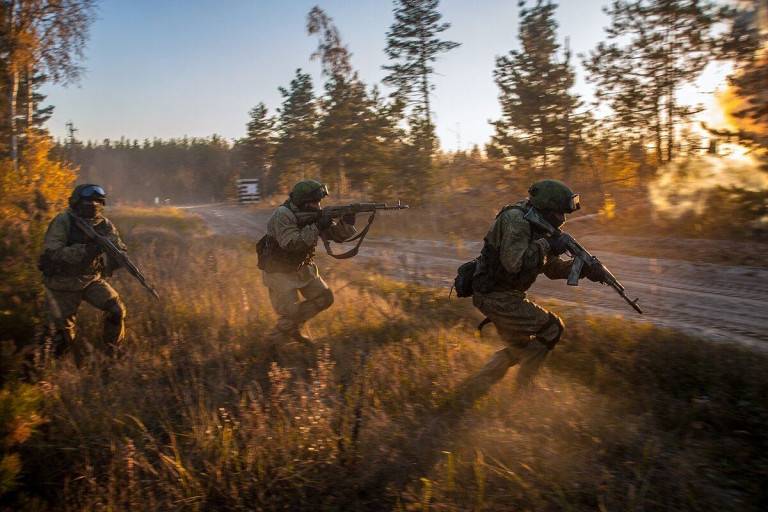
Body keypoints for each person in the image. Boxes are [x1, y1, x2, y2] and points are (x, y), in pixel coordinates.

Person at [457, 179, 605, 401]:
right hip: (495, 295)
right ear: (546, 208)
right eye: (559, 214)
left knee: (520, 347)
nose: (562, 220)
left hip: (501, 295)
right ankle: (523, 394)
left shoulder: (539, 224)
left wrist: (583, 269)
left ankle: (474, 388)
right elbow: (512, 263)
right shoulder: (517, 220)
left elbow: (552, 269)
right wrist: (547, 245)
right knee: (552, 329)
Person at [258, 179, 356, 344]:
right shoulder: (283, 215)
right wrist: (317, 226)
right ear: (303, 202)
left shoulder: (313, 215)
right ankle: (271, 346)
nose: (318, 206)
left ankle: (292, 328)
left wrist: (347, 223)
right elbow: (291, 243)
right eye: (314, 202)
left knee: (324, 298)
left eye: (319, 202)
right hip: (279, 271)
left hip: (301, 267)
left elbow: (336, 235)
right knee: (290, 312)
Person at [38, 184, 127, 360]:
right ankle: (49, 371)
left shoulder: (103, 224)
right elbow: (53, 251)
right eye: (87, 201)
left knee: (116, 311)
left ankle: (112, 352)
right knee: (61, 338)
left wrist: (118, 257)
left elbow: (118, 246)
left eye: (96, 201)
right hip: (62, 283)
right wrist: (87, 250)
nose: (92, 205)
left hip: (90, 279)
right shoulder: (64, 221)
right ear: (77, 202)